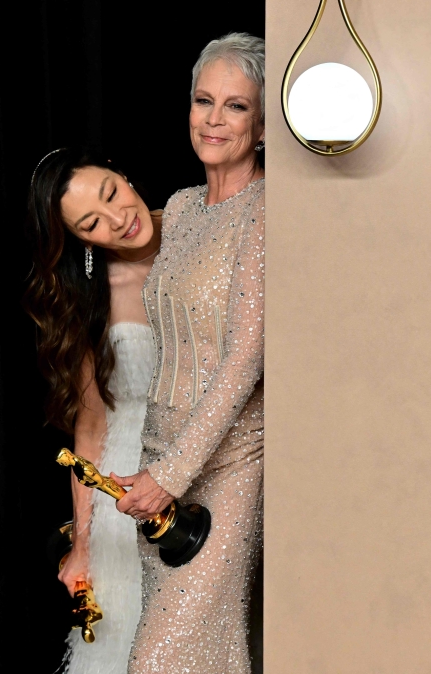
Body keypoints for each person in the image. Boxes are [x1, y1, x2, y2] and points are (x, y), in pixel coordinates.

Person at [111, 33, 266, 674]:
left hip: (225, 469)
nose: (214, 118)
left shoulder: (268, 212)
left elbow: (245, 361)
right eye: (205, 100)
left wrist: (172, 476)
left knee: (157, 661)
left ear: (260, 127)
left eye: (234, 106)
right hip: (155, 461)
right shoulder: (178, 208)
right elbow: (107, 249)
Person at [26, 148, 161, 673]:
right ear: (82, 240)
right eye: (92, 224)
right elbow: (90, 427)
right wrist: (83, 545)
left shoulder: (203, 226)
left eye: (111, 193)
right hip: (123, 493)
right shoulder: (91, 298)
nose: (118, 219)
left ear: (123, 173)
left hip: (215, 464)